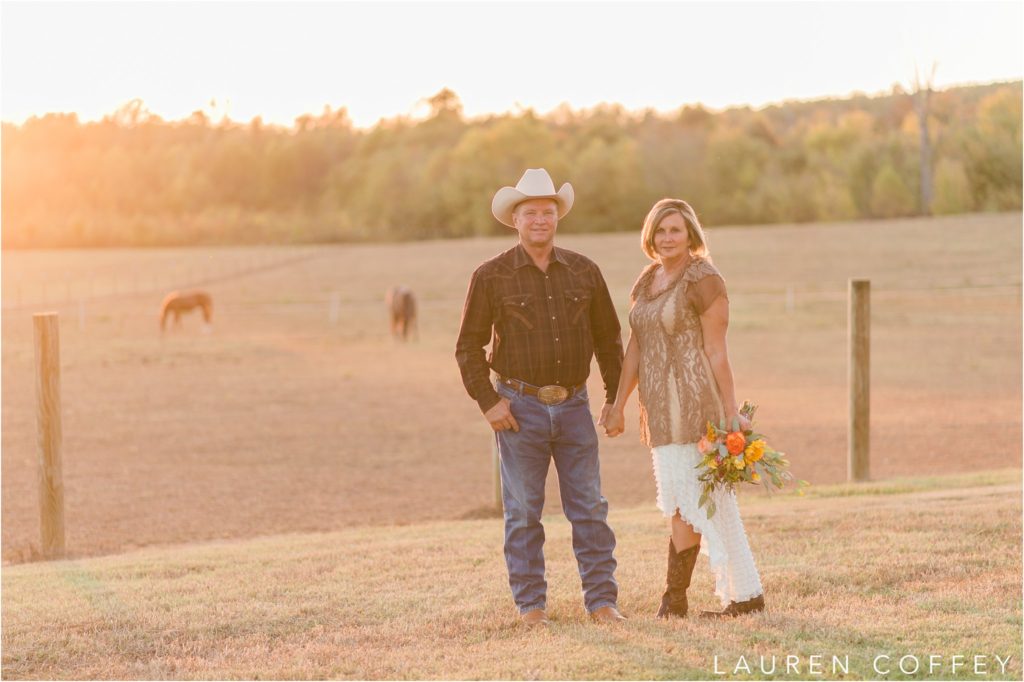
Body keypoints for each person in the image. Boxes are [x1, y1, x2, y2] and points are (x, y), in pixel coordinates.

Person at [455, 168, 627, 627]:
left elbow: (610, 342)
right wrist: (488, 401)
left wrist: (615, 400)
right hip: (519, 409)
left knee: (589, 508)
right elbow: (467, 347)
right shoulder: (490, 276)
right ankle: (531, 607)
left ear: (557, 218)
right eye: (530, 213)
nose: (539, 220)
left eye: (547, 213)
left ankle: (602, 602)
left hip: (574, 406)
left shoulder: (585, 272)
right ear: (515, 219)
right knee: (524, 511)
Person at [602, 198, 766, 619]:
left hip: (697, 406)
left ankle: (674, 600)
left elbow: (716, 350)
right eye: (660, 231)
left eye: (675, 229)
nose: (667, 238)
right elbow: (636, 347)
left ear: (690, 233)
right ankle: (745, 596)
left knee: (686, 502)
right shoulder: (647, 280)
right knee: (698, 501)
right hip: (657, 409)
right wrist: (618, 403)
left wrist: (731, 412)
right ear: (649, 237)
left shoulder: (704, 279)